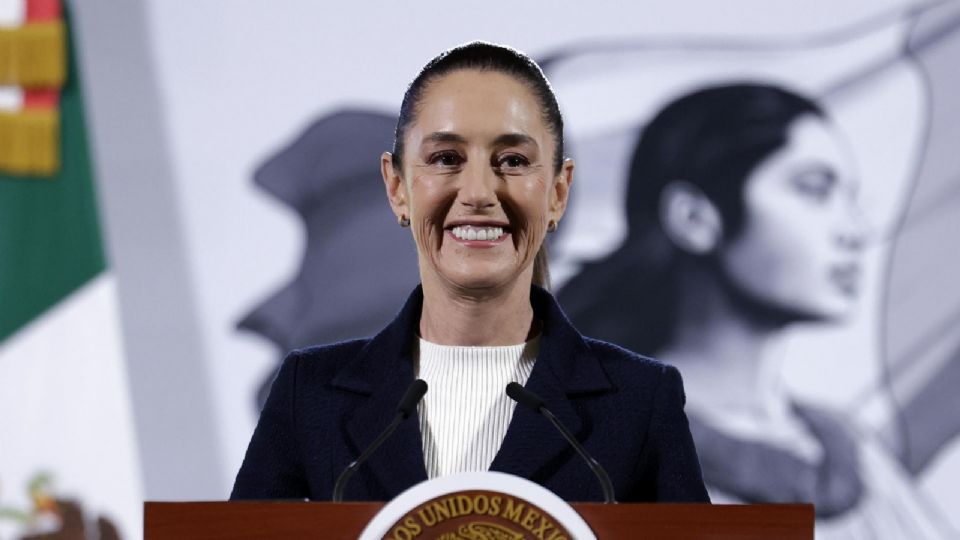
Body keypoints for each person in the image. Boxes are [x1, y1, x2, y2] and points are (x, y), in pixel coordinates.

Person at [230, 41, 709, 503]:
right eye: (446, 159)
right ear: (397, 187)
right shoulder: (307, 394)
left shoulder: (640, 399)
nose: (479, 191)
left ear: (558, 193)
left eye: (513, 161)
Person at [559, 83, 955, 537]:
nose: (856, 230)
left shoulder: (854, 453)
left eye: (850, 197)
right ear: (694, 218)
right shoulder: (599, 446)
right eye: (813, 189)